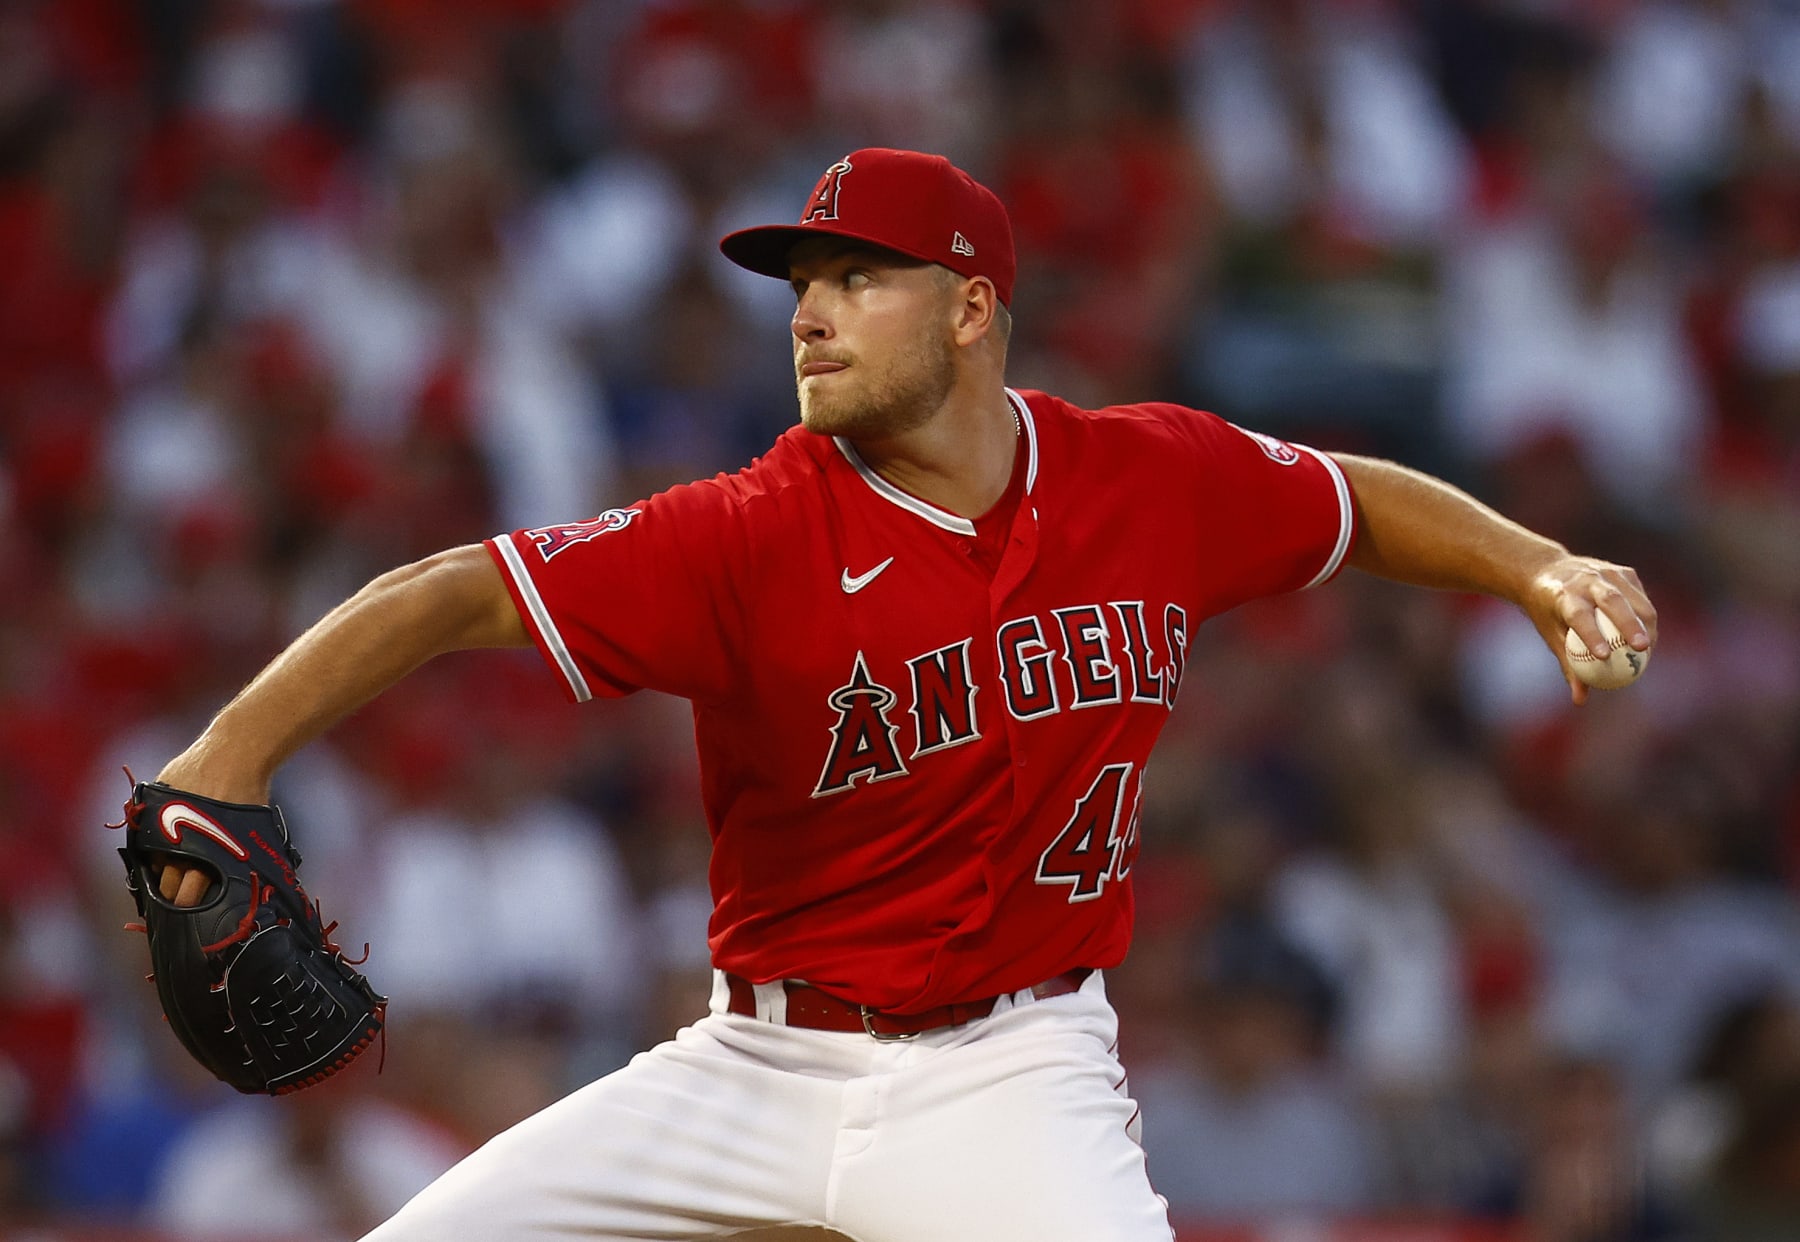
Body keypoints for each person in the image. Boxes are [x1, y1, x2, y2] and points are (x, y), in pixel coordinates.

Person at [145, 148, 1656, 1242]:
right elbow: (454, 590)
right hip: (753, 1064)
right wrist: (223, 757)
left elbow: (1355, 500)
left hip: (1012, 1068)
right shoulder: (749, 527)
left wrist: (1535, 566)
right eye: (804, 282)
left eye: (860, 277)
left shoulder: (1151, 475)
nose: (811, 311)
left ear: (972, 309)